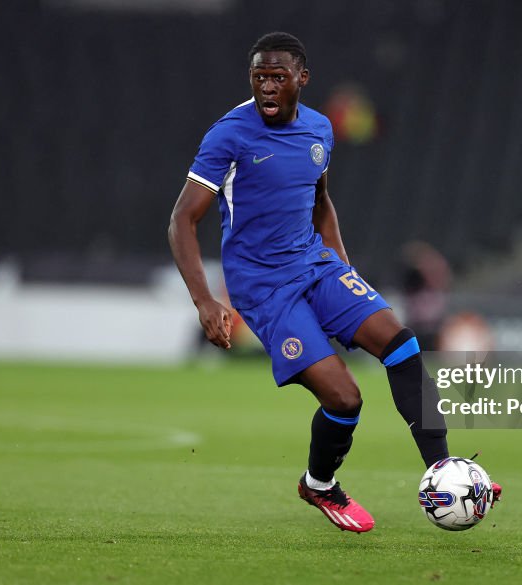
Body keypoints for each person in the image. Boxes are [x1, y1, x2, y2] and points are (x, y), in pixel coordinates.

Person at [167, 32, 499, 533]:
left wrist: (343, 268)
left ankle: (443, 467)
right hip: (263, 286)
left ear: (302, 78)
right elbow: (181, 220)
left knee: (403, 347)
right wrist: (205, 300)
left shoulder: (320, 129)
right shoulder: (228, 135)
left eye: (278, 77)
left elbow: (320, 202)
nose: (267, 87)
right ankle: (319, 484)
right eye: (259, 77)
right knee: (345, 399)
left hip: (316, 265)